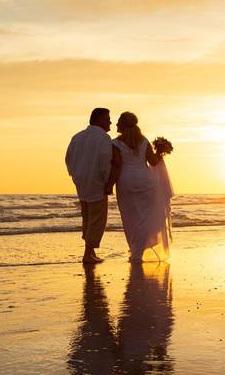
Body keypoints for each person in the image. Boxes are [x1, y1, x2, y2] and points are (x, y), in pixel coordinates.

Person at [112, 112, 174, 262]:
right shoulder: (143, 141)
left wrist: (109, 184)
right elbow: (153, 162)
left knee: (130, 218)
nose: (116, 124)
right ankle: (138, 250)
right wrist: (160, 152)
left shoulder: (115, 143)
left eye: (118, 121)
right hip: (145, 180)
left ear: (122, 124)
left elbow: (117, 165)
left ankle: (136, 250)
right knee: (145, 217)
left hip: (125, 181)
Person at [65, 108, 116, 264]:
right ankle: (88, 253)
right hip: (96, 182)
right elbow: (105, 161)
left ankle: (90, 251)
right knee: (97, 219)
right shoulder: (104, 138)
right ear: (99, 120)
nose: (110, 122)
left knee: (87, 218)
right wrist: (108, 181)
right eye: (107, 119)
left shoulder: (77, 137)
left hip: (81, 181)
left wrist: (75, 175)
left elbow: (68, 159)